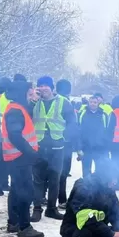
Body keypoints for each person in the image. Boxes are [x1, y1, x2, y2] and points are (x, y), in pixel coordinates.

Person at [2, 79, 45, 237]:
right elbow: (15, 136)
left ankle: (13, 222)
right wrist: (30, 153)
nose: (31, 94)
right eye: (29, 91)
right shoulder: (15, 110)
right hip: (19, 158)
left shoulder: (17, 108)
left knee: (16, 190)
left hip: (16, 157)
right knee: (24, 192)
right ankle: (24, 226)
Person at [29, 76, 69, 222]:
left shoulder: (63, 102)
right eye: (40, 85)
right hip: (38, 146)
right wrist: (32, 101)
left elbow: (72, 123)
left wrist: (67, 139)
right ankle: (37, 208)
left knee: (54, 179)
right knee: (37, 180)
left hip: (57, 147)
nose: (43, 88)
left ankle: (52, 209)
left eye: (46, 85)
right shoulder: (33, 102)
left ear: (52, 88)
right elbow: (26, 118)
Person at [55, 79, 78, 209]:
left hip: (48, 142)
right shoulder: (67, 103)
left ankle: (41, 198)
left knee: (48, 172)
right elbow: (73, 126)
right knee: (62, 173)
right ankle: (62, 200)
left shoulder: (49, 101)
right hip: (65, 143)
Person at [79, 95, 111, 178]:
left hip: (100, 148)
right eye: (91, 102)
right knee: (86, 171)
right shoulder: (82, 114)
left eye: (95, 102)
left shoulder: (104, 115)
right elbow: (78, 131)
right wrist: (79, 147)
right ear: (88, 103)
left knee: (100, 171)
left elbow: (107, 132)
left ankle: (99, 189)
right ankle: (86, 189)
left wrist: (106, 147)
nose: (93, 104)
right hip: (86, 147)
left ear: (98, 103)